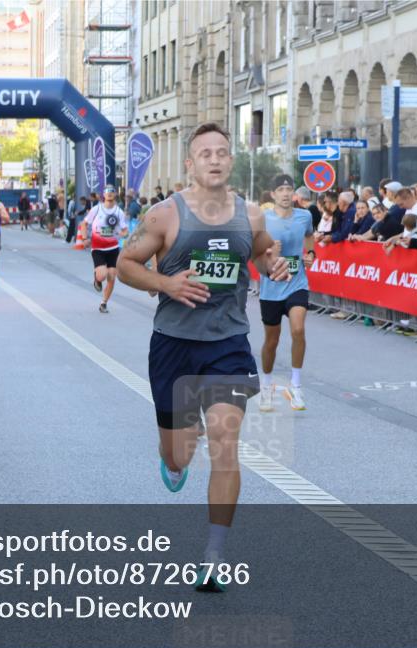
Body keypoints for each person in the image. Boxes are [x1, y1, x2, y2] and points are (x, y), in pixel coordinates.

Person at [116, 122, 288, 591]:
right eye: (204, 153)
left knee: (226, 447)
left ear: (231, 162)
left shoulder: (251, 215)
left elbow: (261, 252)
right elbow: (125, 265)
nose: (214, 159)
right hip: (174, 344)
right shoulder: (163, 216)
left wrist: (272, 262)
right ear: (189, 165)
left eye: (222, 152)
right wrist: (167, 283)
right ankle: (174, 461)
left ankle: (213, 556)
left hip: (228, 343)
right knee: (178, 454)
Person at [258, 174, 314, 412]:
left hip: (296, 282)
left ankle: (295, 385)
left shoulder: (305, 215)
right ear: (272, 195)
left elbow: (309, 236)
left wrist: (310, 254)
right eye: (279, 189)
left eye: (288, 189)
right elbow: (254, 250)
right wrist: (270, 251)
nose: (284, 193)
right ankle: (267, 386)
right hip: (271, 286)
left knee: (298, 329)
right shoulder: (262, 219)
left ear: (293, 194)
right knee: (272, 341)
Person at [86, 184, 129, 313]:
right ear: (103, 195)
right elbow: (84, 223)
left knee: (111, 276)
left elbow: (125, 229)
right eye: (107, 191)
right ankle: (97, 278)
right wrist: (84, 238)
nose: (109, 193)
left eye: (112, 191)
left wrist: (123, 234)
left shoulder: (119, 212)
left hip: (113, 248)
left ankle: (104, 303)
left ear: (115, 194)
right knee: (103, 275)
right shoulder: (96, 209)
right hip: (98, 247)